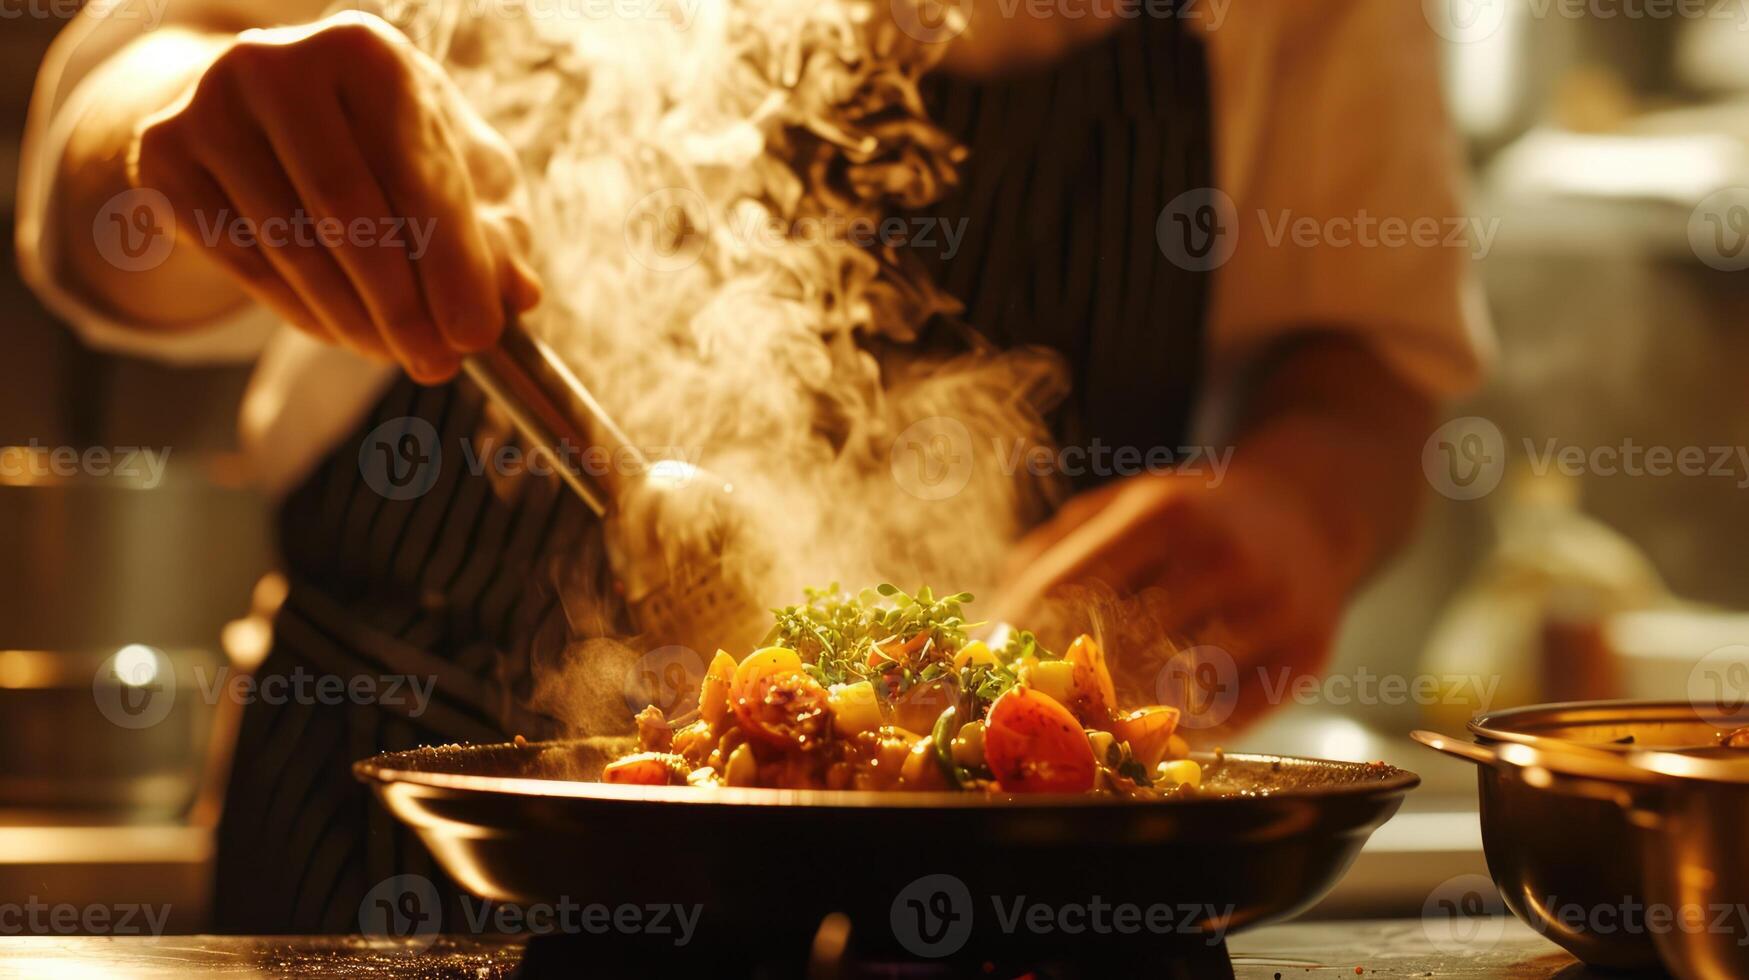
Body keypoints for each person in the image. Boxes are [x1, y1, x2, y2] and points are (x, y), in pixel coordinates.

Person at [20, 0, 1486, 933]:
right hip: (391, 836)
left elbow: (1364, 362)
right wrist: (199, 113)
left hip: (1012, 890)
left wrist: (1301, 498)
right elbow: (100, 162)